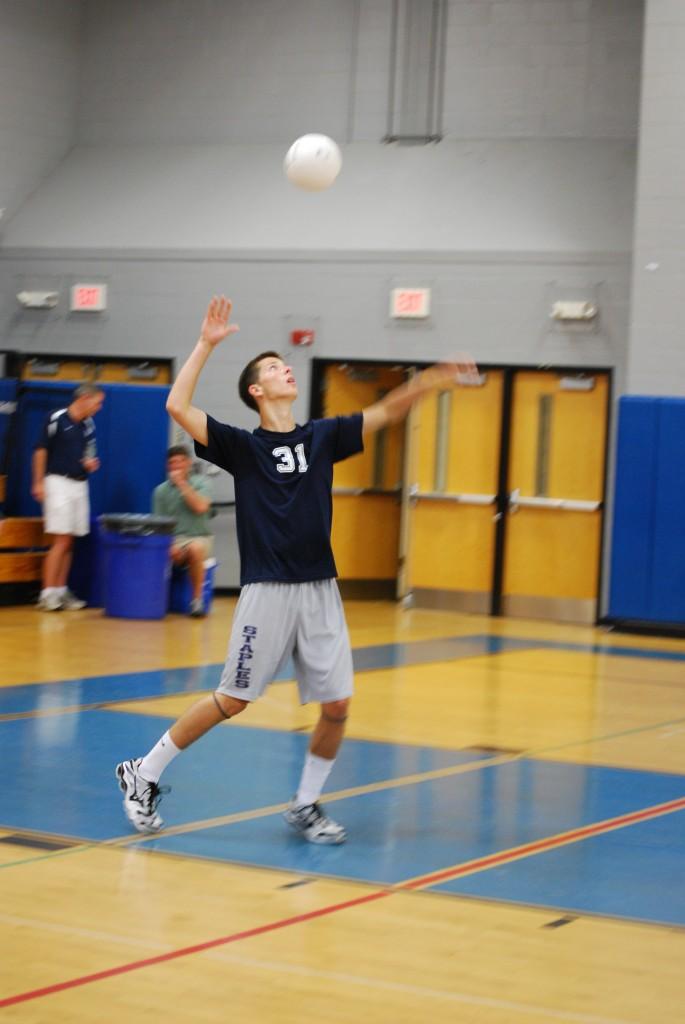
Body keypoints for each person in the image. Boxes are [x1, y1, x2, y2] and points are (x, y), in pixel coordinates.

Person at [116, 296, 477, 844]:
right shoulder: (241, 446)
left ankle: (306, 804)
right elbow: (176, 405)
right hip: (268, 592)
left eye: (283, 363)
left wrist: (431, 378)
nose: (284, 367)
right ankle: (143, 772)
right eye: (271, 367)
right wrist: (206, 344)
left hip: (320, 589)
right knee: (233, 699)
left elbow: (388, 411)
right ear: (257, 392)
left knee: (337, 707)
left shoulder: (322, 437)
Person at [31, 383, 105, 612]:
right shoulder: (56, 418)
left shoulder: (89, 425)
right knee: (61, 540)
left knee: (70, 541)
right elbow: (41, 450)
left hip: (79, 485)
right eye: (97, 402)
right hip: (57, 482)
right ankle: (47, 593)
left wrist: (89, 463)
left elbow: (87, 455)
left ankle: (61, 591)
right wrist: (38, 482)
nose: (99, 408)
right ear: (83, 398)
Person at [153, 445, 213, 617]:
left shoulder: (202, 483)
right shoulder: (160, 491)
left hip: (199, 537)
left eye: (180, 462)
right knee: (157, 552)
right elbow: (159, 525)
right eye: (172, 463)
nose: (176, 466)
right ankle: (156, 601)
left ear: (188, 464)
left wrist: (182, 484)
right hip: (173, 540)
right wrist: (169, 545)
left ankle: (197, 601)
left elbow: (201, 507)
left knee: (196, 548)